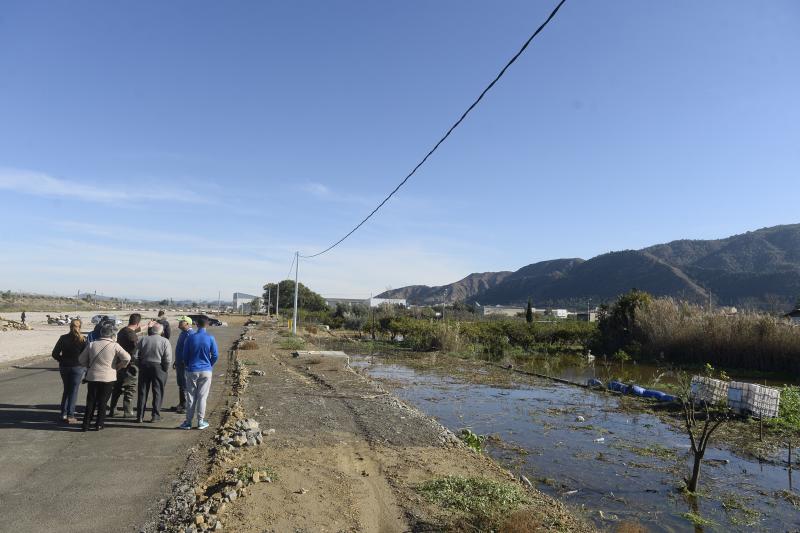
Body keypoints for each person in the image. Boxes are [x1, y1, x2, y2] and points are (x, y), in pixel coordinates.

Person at [78, 321, 130, 431]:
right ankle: (99, 423)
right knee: (103, 401)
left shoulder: (92, 344)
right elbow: (127, 358)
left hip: (93, 376)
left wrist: (88, 366)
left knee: (91, 400)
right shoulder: (115, 345)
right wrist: (119, 366)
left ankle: (86, 424)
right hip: (108, 377)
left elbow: (81, 359)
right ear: (112, 334)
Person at [179, 316, 218, 430]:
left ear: (196, 324)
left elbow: (185, 356)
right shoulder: (210, 338)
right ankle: (200, 421)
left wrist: (187, 365)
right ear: (207, 324)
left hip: (192, 370)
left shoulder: (190, 338)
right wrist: (209, 365)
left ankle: (188, 422)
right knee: (202, 397)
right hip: (206, 370)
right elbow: (215, 355)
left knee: (191, 396)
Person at [51, 318, 87, 423]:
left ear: (70, 327)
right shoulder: (83, 339)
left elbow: (54, 354)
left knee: (66, 390)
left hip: (64, 367)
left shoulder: (63, 338)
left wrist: (63, 360)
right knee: (73, 391)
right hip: (77, 367)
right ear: (80, 327)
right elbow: (86, 355)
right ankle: (70, 415)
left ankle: (63, 414)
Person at [135, 322, 173, 423]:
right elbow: (168, 358)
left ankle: (140, 416)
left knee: (142, 391)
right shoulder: (165, 341)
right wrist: (165, 368)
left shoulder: (143, 339)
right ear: (161, 331)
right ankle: (155, 415)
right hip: (158, 367)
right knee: (158, 391)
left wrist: (139, 364)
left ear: (152, 330)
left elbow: (134, 354)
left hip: (144, 366)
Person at [108, 313, 141, 418]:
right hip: (129, 365)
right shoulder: (132, 337)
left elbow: (133, 330)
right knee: (130, 388)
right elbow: (135, 351)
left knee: (117, 388)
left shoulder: (122, 331)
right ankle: (128, 411)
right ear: (137, 323)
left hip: (119, 363)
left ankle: (113, 409)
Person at [172, 316, 195, 413]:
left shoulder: (190, 334)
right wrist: (176, 361)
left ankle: (185, 406)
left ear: (187, 324)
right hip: (179, 363)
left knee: (185, 384)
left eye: (181, 322)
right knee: (181, 383)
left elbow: (190, 351)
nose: (178, 324)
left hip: (185, 364)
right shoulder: (183, 333)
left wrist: (185, 361)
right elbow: (180, 349)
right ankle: (181, 404)